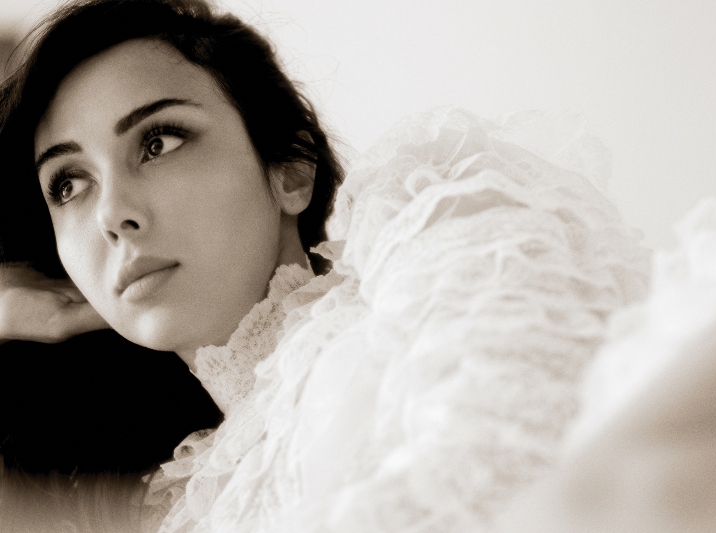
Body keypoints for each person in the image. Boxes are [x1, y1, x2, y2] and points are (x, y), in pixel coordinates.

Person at [0, 0, 650, 531]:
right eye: (68, 184)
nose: (112, 213)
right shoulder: (175, 506)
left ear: (292, 172)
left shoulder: (440, 233)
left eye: (158, 141)